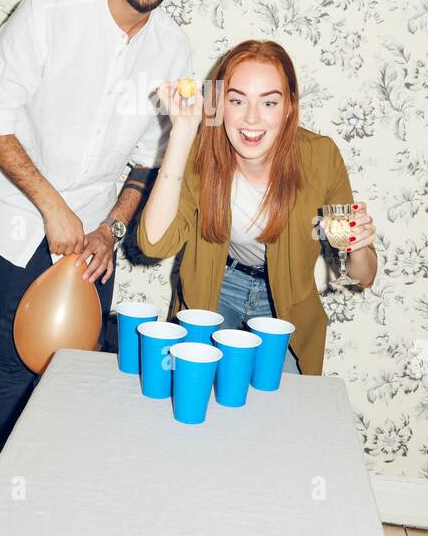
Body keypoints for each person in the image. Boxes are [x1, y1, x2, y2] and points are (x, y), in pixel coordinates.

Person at [0, 0, 193, 454]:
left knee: (78, 371)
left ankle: (58, 501)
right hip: (17, 220)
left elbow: (147, 159)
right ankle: (12, 509)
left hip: (94, 237)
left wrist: (110, 230)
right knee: (17, 366)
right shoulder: (47, 14)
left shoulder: (173, 47)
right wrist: (52, 206)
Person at [138, 40, 378, 375]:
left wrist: (359, 247)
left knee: (281, 413)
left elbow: (362, 277)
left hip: (285, 302)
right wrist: (182, 133)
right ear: (220, 104)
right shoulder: (201, 152)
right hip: (218, 285)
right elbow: (154, 243)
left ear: (289, 107)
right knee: (197, 395)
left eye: (269, 102)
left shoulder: (320, 157)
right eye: (237, 100)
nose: (251, 118)